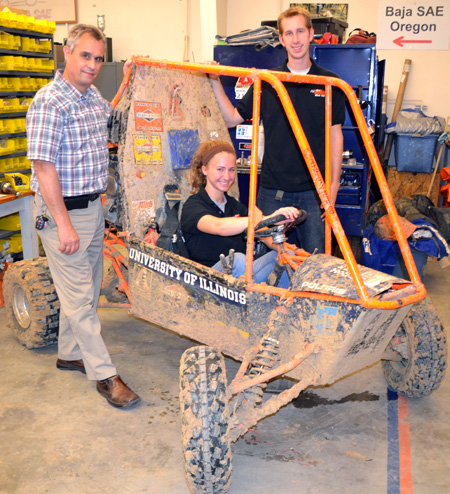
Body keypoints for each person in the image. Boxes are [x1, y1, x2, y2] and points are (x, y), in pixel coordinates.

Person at [26, 24, 140, 408]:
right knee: (78, 300)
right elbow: (43, 169)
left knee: (88, 291)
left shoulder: (93, 99)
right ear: (66, 53)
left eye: (97, 58)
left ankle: (68, 353)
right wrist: (63, 224)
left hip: (91, 207)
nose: (92, 65)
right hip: (63, 214)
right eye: (85, 56)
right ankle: (105, 375)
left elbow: (106, 139)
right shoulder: (49, 103)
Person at [208, 6, 346, 254]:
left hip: (315, 194)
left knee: (317, 262)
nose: (296, 39)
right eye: (289, 33)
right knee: (269, 262)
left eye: (300, 31)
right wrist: (214, 80)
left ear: (311, 34)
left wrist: (333, 187)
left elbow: (336, 137)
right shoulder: (269, 81)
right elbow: (232, 119)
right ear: (281, 39)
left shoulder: (329, 83)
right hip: (273, 192)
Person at [180, 140, 299, 287]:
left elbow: (262, 231)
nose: (226, 176)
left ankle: (281, 306)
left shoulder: (235, 207)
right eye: (220, 169)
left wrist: (286, 249)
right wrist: (268, 218)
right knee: (237, 260)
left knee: (288, 257)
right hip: (205, 283)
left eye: (231, 170)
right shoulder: (193, 205)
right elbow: (219, 226)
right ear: (205, 170)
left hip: (239, 281)